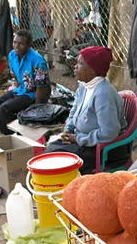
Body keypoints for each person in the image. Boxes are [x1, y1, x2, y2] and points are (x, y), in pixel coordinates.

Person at [43, 46, 127, 175]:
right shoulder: (84, 86)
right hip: (82, 140)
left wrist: (78, 139)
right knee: (48, 151)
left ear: (93, 71)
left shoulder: (103, 94)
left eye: (80, 64)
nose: (75, 66)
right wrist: (68, 129)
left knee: (55, 162)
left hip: (101, 150)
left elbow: (109, 133)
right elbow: (74, 110)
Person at [0, 29, 51, 134]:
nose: (16, 46)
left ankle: (15, 136)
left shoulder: (38, 60)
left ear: (29, 45)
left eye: (21, 44)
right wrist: (14, 93)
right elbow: (17, 79)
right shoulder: (12, 55)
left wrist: (36, 108)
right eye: (15, 42)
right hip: (21, 90)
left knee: (5, 108)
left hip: (33, 94)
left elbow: (42, 88)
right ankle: (6, 133)